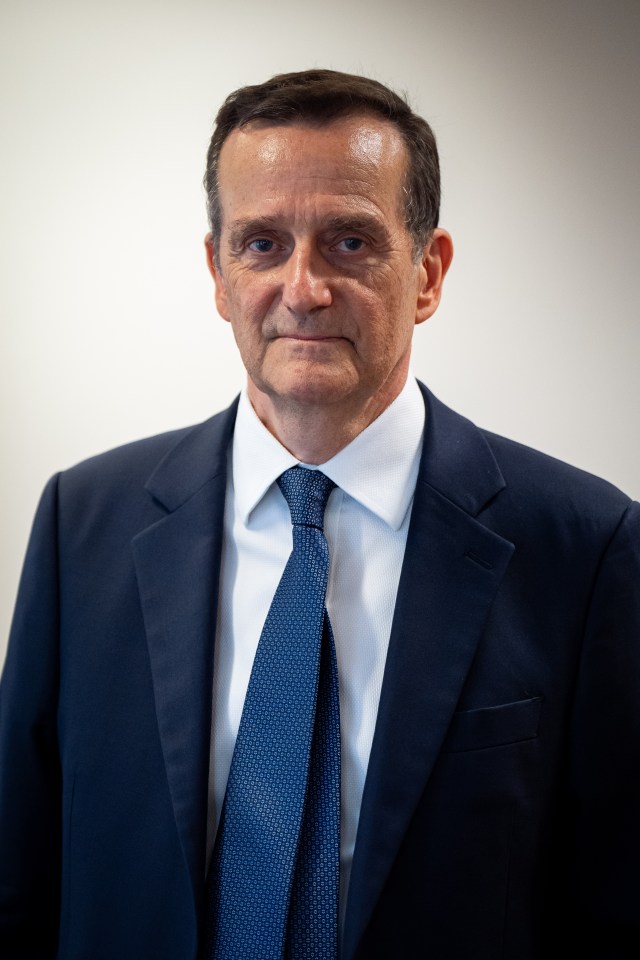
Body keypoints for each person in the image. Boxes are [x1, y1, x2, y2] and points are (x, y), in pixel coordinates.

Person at [0, 68, 638, 960]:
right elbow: (19, 883)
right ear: (218, 275)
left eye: (349, 242)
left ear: (428, 271)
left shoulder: (588, 546)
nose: (303, 289)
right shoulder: (83, 525)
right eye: (262, 244)